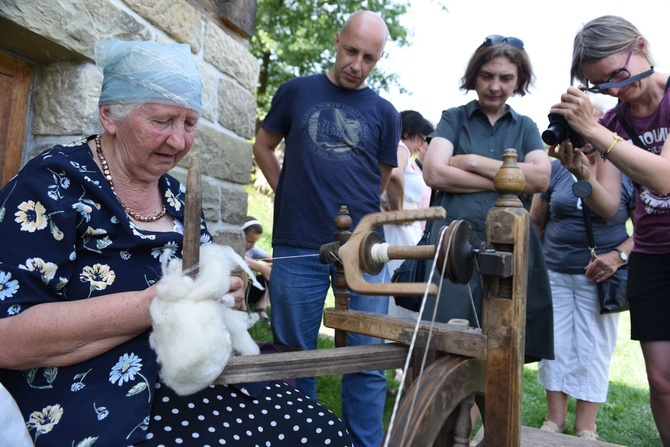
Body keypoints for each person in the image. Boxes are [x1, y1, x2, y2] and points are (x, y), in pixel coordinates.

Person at [0, 40, 352, 447]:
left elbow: (202, 278)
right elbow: (7, 337)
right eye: (163, 120)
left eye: (189, 124)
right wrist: (161, 300)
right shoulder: (50, 187)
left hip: (191, 371)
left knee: (321, 431)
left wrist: (227, 292)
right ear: (109, 116)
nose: (178, 141)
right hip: (90, 394)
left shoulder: (176, 197)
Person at [252, 10, 401, 447]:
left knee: (368, 358)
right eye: (351, 50)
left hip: (365, 248)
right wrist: (286, 191)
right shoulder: (296, 91)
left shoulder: (385, 112)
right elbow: (263, 145)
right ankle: (305, 440)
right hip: (297, 242)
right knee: (293, 358)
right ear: (337, 40)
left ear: (379, 59)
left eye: (369, 58)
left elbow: (380, 178)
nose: (357, 64)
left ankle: (363, 443)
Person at [547, 15, 670, 445]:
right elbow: (609, 205)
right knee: (660, 379)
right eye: (601, 87)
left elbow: (664, 177)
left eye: (616, 76)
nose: (615, 91)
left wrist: (593, 131)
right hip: (653, 255)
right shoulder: (616, 124)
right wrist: (583, 173)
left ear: (641, 45)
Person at [422, 35, 555, 363]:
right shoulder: (454, 118)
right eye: (487, 76)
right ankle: (452, 415)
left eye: (506, 77)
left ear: (519, 80)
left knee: (504, 349)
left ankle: (492, 416)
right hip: (455, 246)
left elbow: (540, 178)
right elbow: (435, 173)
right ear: (474, 75)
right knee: (448, 345)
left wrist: (470, 161)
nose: (495, 86)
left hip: (512, 247)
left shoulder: (525, 126)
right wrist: (509, 181)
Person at [530, 125, 635, 439]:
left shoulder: (626, 170)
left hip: (602, 275)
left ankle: (586, 425)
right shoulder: (556, 169)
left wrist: (618, 256)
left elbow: (646, 227)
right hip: (554, 272)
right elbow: (537, 220)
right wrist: (531, 267)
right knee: (555, 344)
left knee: (593, 347)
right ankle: (555, 419)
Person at [381, 109, 435, 277]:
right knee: (401, 275)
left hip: (402, 225)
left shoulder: (393, 148)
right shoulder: (400, 148)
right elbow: (395, 174)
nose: (421, 145)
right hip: (399, 226)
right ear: (408, 132)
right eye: (421, 138)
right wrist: (398, 213)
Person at [242, 216, 272, 321]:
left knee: (275, 272)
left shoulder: (252, 248)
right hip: (240, 288)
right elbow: (241, 258)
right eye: (249, 241)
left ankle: (261, 307)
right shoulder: (235, 248)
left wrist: (271, 267)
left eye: (255, 242)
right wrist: (261, 267)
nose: (252, 245)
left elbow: (274, 259)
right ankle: (243, 308)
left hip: (250, 291)